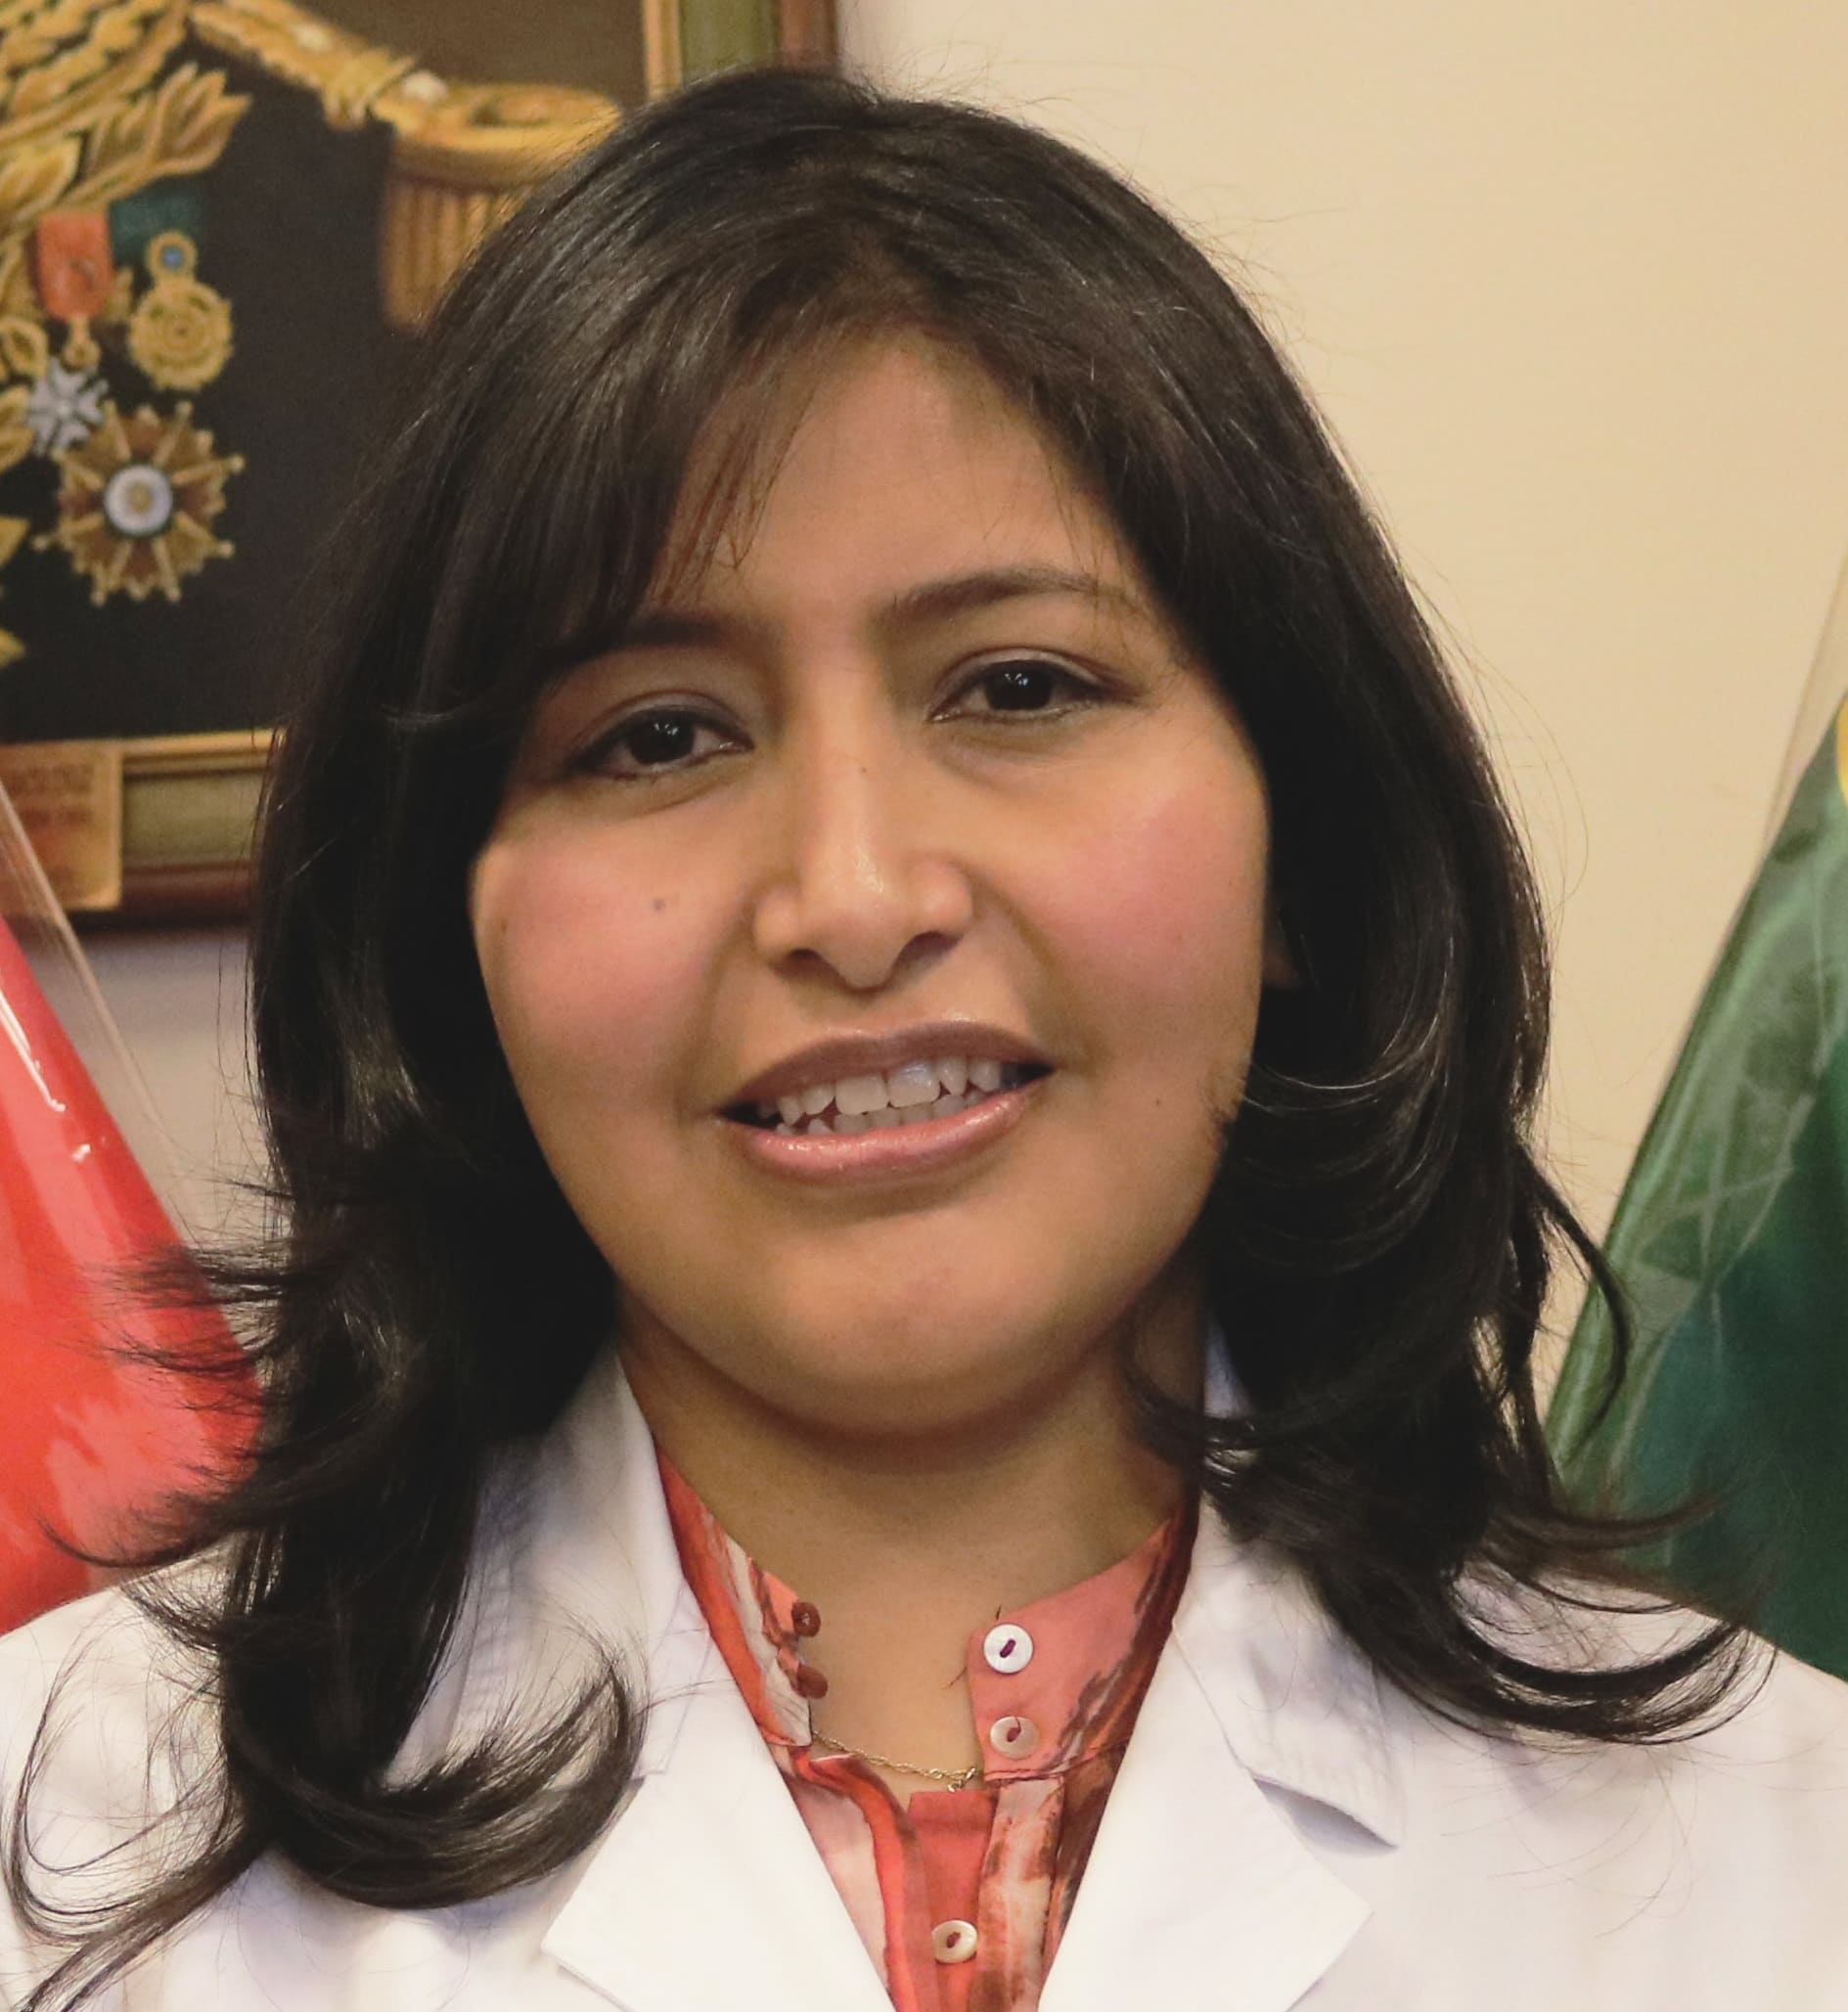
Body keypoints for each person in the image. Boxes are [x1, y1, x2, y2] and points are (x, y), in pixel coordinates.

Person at [4, 64, 1846, 2012]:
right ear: (447, 938)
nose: (857, 894)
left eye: (1019, 687)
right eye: (657, 734)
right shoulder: (61, 1862)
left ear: (1303, 849)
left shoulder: (1778, 1867)